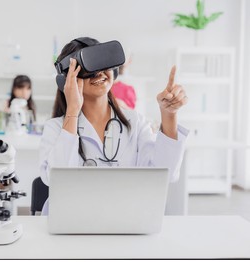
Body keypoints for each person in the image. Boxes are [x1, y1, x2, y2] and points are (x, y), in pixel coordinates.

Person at [39, 37, 189, 215]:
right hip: (72, 223)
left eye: (104, 66)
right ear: (66, 81)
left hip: (124, 220)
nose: (100, 74)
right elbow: (57, 181)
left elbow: (167, 174)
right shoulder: (55, 128)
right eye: (89, 71)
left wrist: (169, 114)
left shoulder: (135, 123)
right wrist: (72, 110)